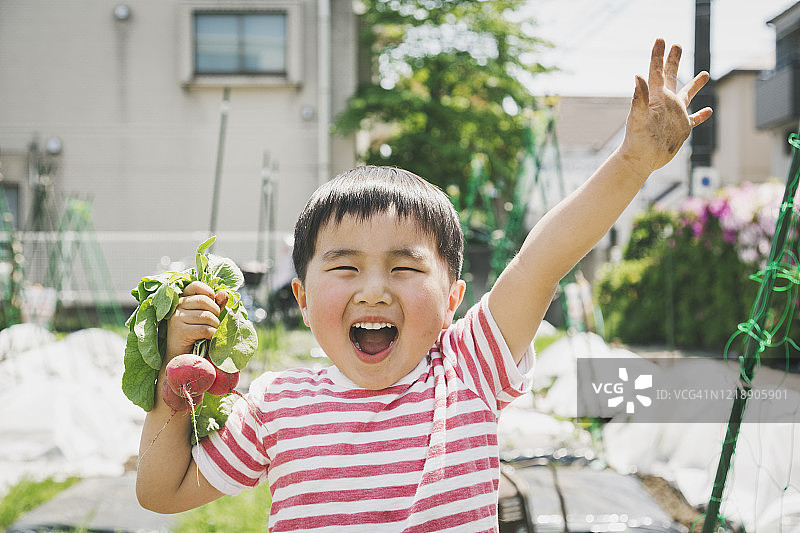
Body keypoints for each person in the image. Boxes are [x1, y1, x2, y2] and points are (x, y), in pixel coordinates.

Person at [135, 39, 712, 531]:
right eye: (344, 267)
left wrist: (633, 163)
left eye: (405, 268)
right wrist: (176, 376)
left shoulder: (467, 368)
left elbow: (543, 261)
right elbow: (163, 492)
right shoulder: (276, 405)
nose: (374, 291)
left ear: (453, 300)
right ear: (303, 299)